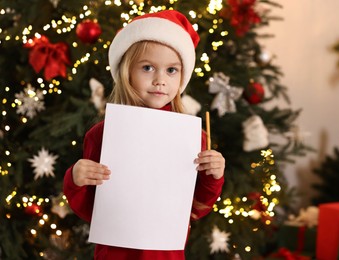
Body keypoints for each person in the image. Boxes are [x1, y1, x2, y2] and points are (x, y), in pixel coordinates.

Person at [63, 10, 225, 260]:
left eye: (171, 70)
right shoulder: (102, 135)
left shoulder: (194, 139)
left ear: (182, 76)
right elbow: (91, 209)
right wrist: (76, 178)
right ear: (127, 72)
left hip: (166, 255)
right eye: (148, 67)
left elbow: (195, 209)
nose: (160, 80)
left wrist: (213, 175)